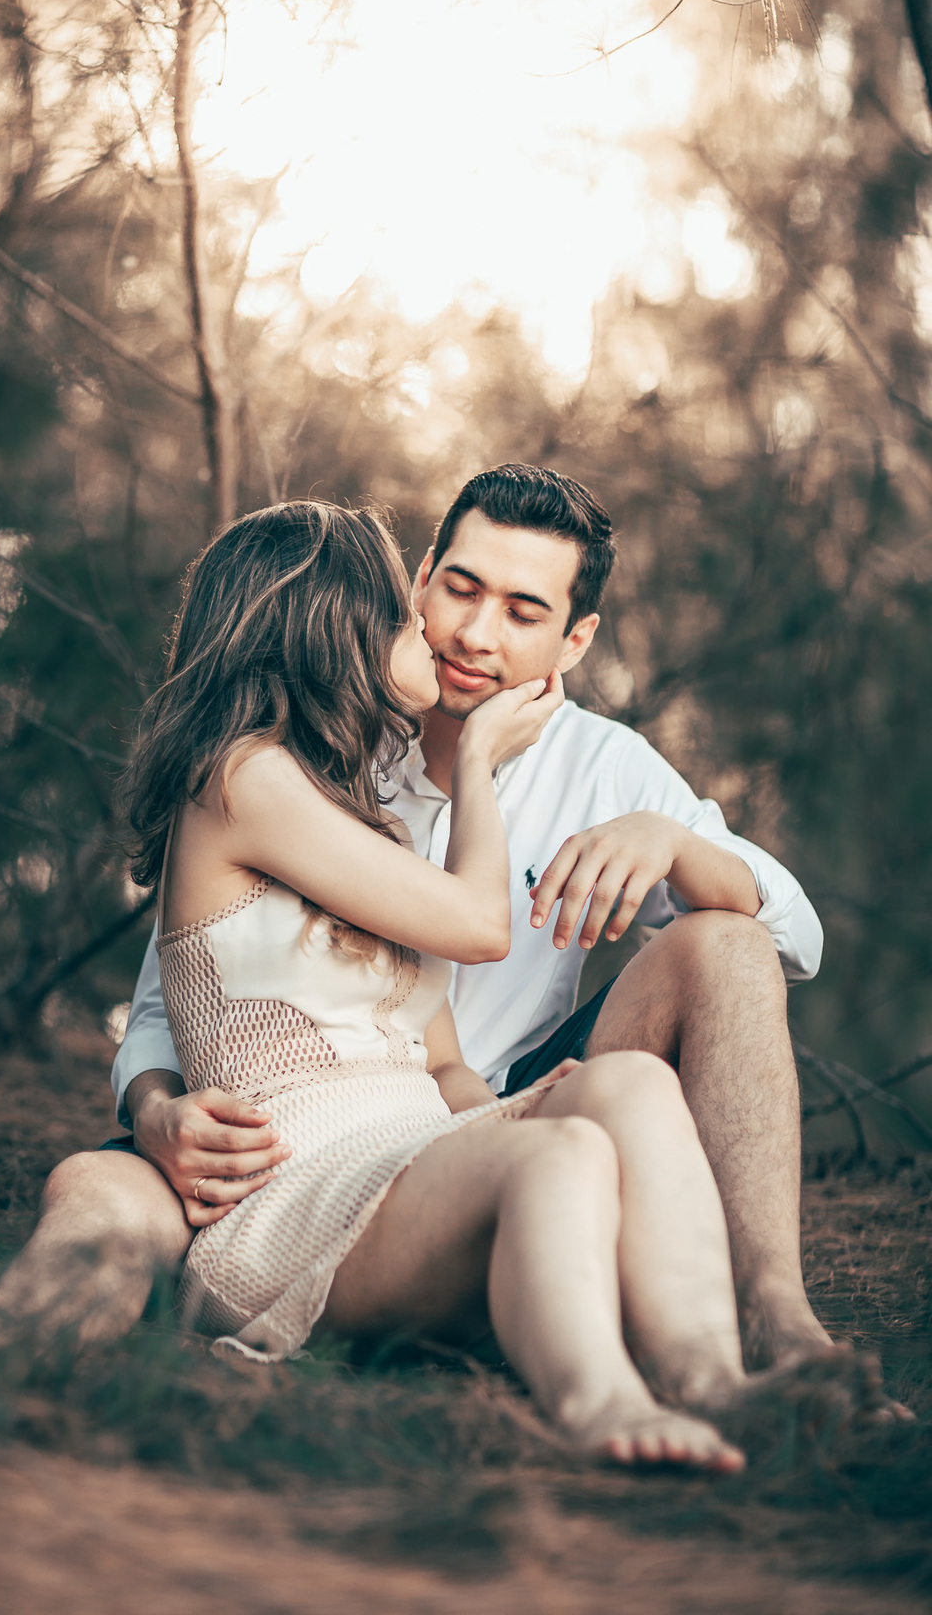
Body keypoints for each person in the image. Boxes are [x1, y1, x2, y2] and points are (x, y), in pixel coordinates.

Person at [0, 500, 755, 1468]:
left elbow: (445, 1065)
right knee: (557, 1161)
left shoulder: (362, 826)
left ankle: (713, 1378)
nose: (432, 625)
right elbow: (479, 923)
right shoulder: (240, 781)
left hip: (408, 1154)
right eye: (407, 608)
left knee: (626, 1089)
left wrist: (515, 1109)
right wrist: (477, 759)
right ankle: (602, 1404)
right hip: (298, 1188)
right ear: (336, 636)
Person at [113, 464, 830, 1372]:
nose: (474, 635)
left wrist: (675, 846)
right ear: (418, 580)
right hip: (316, 1124)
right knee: (106, 1190)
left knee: (726, 938)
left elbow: (797, 939)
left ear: (576, 641)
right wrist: (154, 1112)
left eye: (524, 612)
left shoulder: (607, 769)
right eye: (460, 588)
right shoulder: (324, 728)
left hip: (499, 1091)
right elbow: (173, 990)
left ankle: (773, 1315)